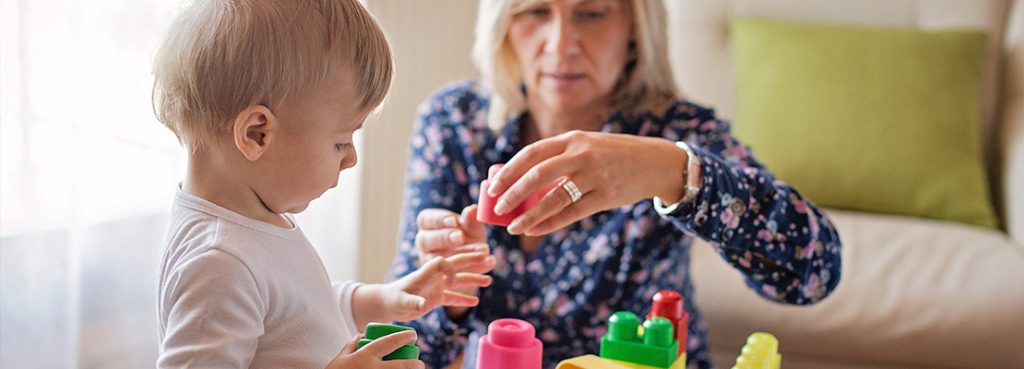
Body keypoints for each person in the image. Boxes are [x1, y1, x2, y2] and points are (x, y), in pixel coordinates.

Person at [386, 0, 842, 368]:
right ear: (503, 25)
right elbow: (408, 345)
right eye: (535, 11)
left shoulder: (681, 131)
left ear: (634, 28)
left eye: (592, 13)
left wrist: (675, 173)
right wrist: (447, 296)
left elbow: (814, 273)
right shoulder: (454, 121)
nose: (561, 44)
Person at [151, 1, 493, 368]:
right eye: (341, 142)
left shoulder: (251, 221)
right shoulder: (219, 263)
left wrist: (383, 299)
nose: (351, 159)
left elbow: (295, 315)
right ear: (256, 133)